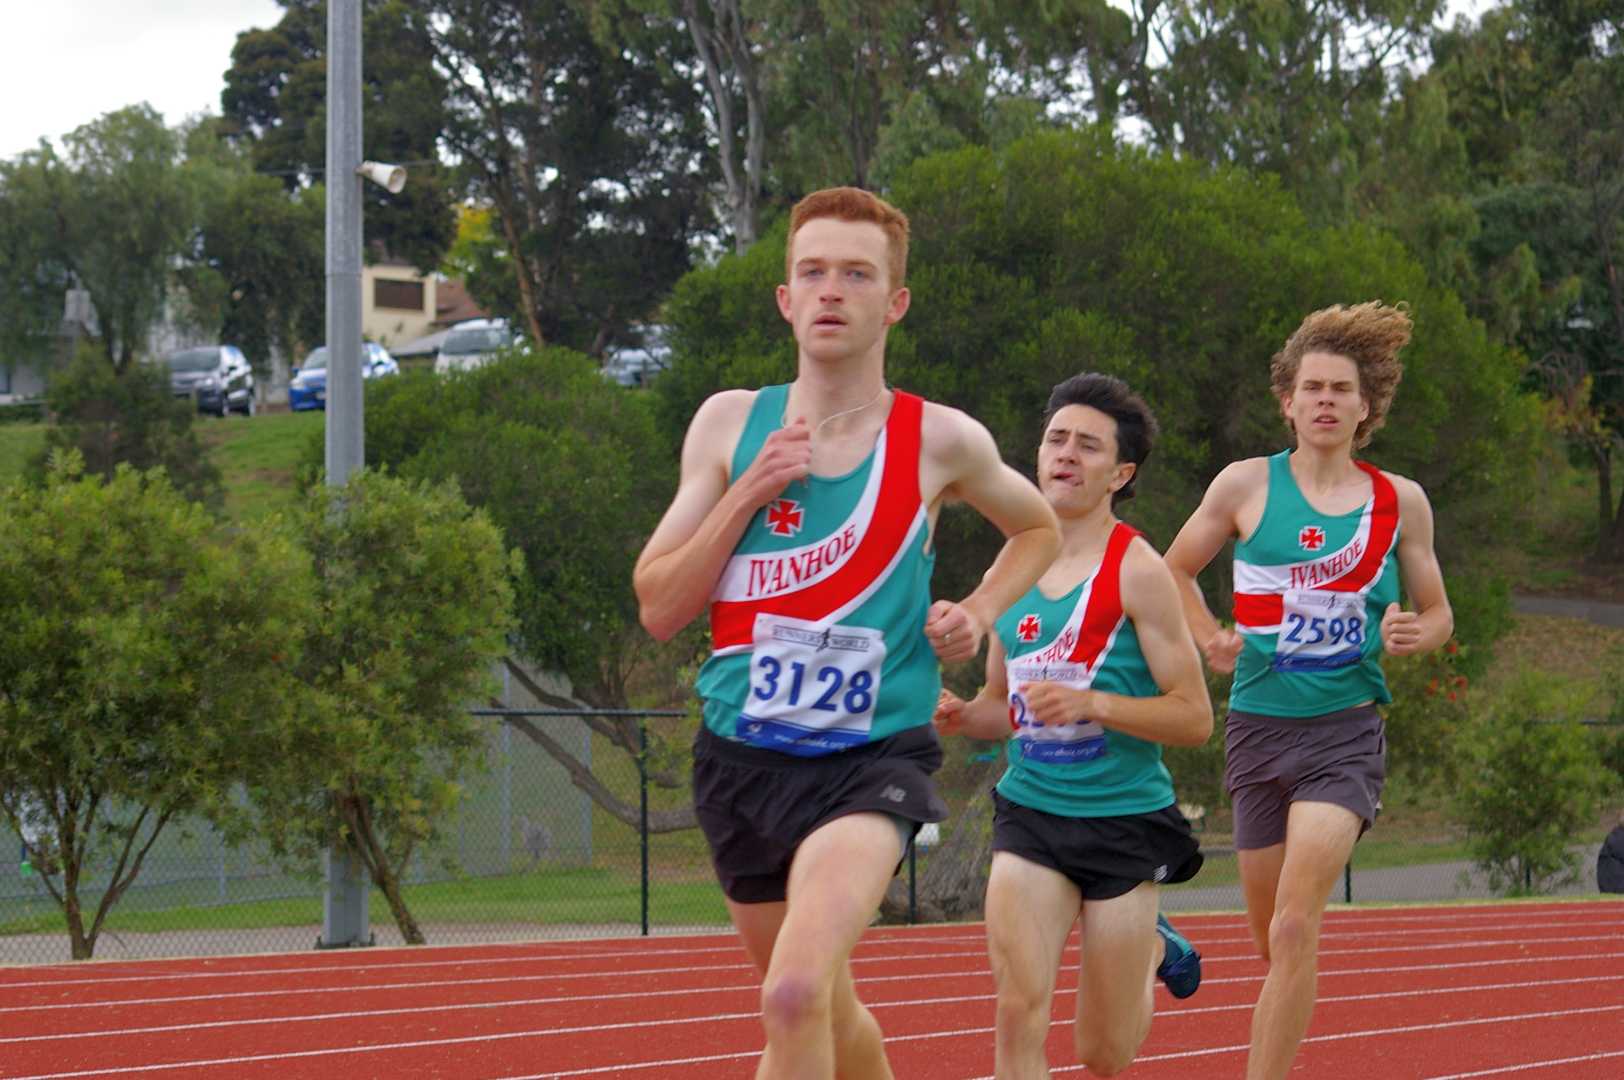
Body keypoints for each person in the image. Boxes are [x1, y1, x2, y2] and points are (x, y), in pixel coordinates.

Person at [633, 186, 1060, 1080]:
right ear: (786, 298)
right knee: (821, 1004)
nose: (833, 290)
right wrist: (750, 490)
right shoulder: (728, 423)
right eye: (813, 272)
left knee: (790, 996)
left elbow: (1038, 528)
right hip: (739, 759)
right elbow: (660, 605)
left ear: (893, 302)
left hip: (872, 761)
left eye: (857, 274)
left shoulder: (940, 440)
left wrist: (979, 612)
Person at [1162, 301, 1454, 1080]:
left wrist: (1413, 634)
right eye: (1312, 387)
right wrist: (1207, 636)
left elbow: (1438, 614)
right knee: (1269, 940)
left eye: (1341, 389)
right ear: (1286, 400)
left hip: (1345, 734)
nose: (1326, 400)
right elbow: (1172, 570)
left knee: (1294, 929)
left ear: (1367, 408)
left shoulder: (1400, 502)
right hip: (1258, 729)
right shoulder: (1243, 486)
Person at [934, 372, 1213, 1078]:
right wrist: (963, 714)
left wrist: (1097, 704)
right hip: (1031, 814)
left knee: (1103, 1052)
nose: (1066, 453)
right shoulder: (1014, 564)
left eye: (1088, 446)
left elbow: (1194, 716)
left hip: (1123, 822)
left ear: (1121, 473)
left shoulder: (1139, 571)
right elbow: (1002, 707)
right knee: (1018, 1008)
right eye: (1057, 438)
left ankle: (1152, 947)